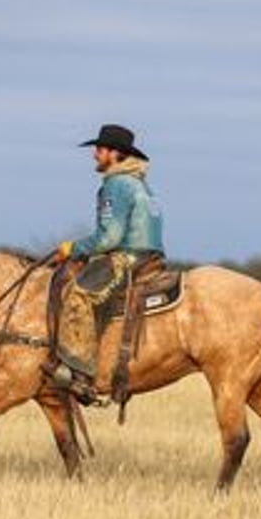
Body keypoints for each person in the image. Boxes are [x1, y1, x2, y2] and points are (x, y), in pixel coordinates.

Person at [53, 124, 165, 403]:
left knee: (78, 293)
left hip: (128, 256)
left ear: (115, 153)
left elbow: (109, 238)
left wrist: (73, 248)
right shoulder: (139, 183)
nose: (95, 154)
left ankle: (80, 374)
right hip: (150, 256)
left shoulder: (116, 184)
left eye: (100, 149)